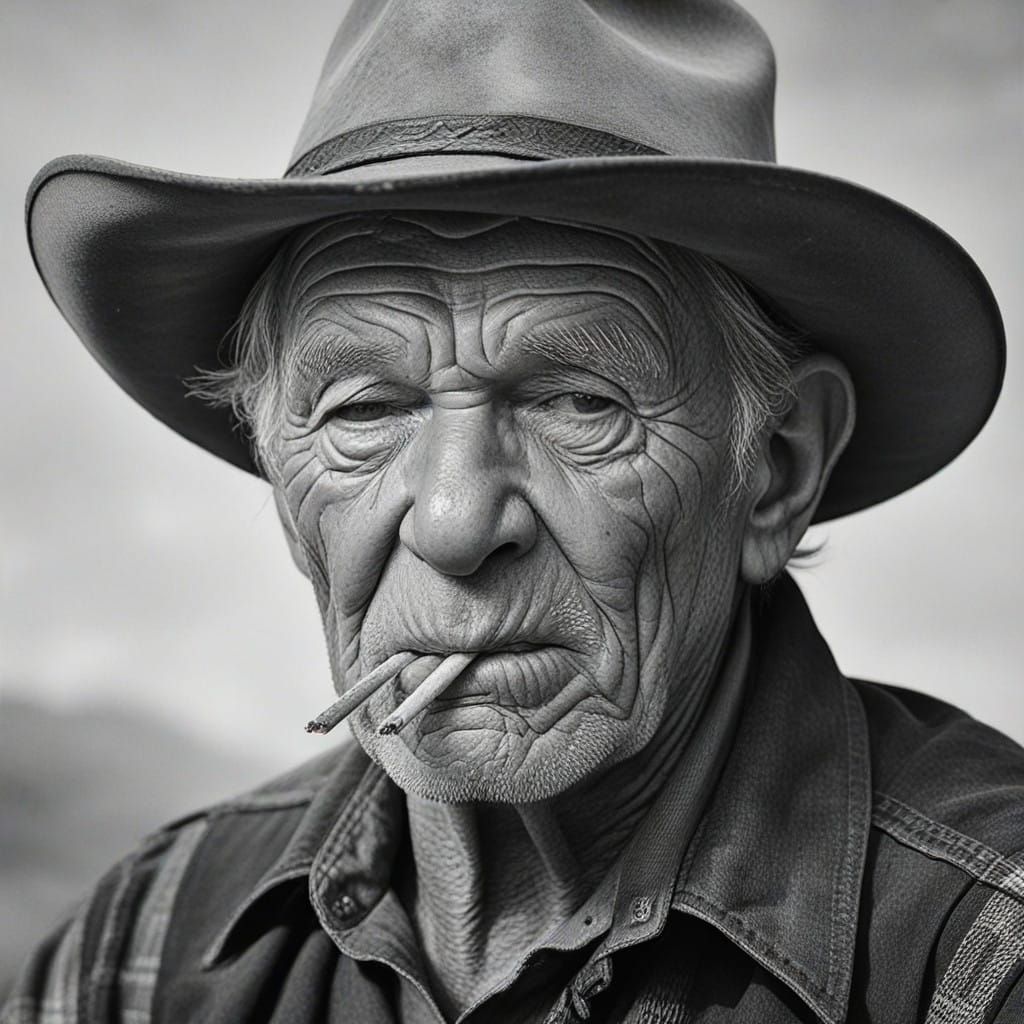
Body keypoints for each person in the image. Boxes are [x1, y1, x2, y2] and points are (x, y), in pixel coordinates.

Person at [5, 0, 1020, 1021]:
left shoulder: (981, 953)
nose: (452, 520)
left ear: (777, 466)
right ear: (277, 473)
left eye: (578, 402)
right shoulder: (143, 948)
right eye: (365, 408)